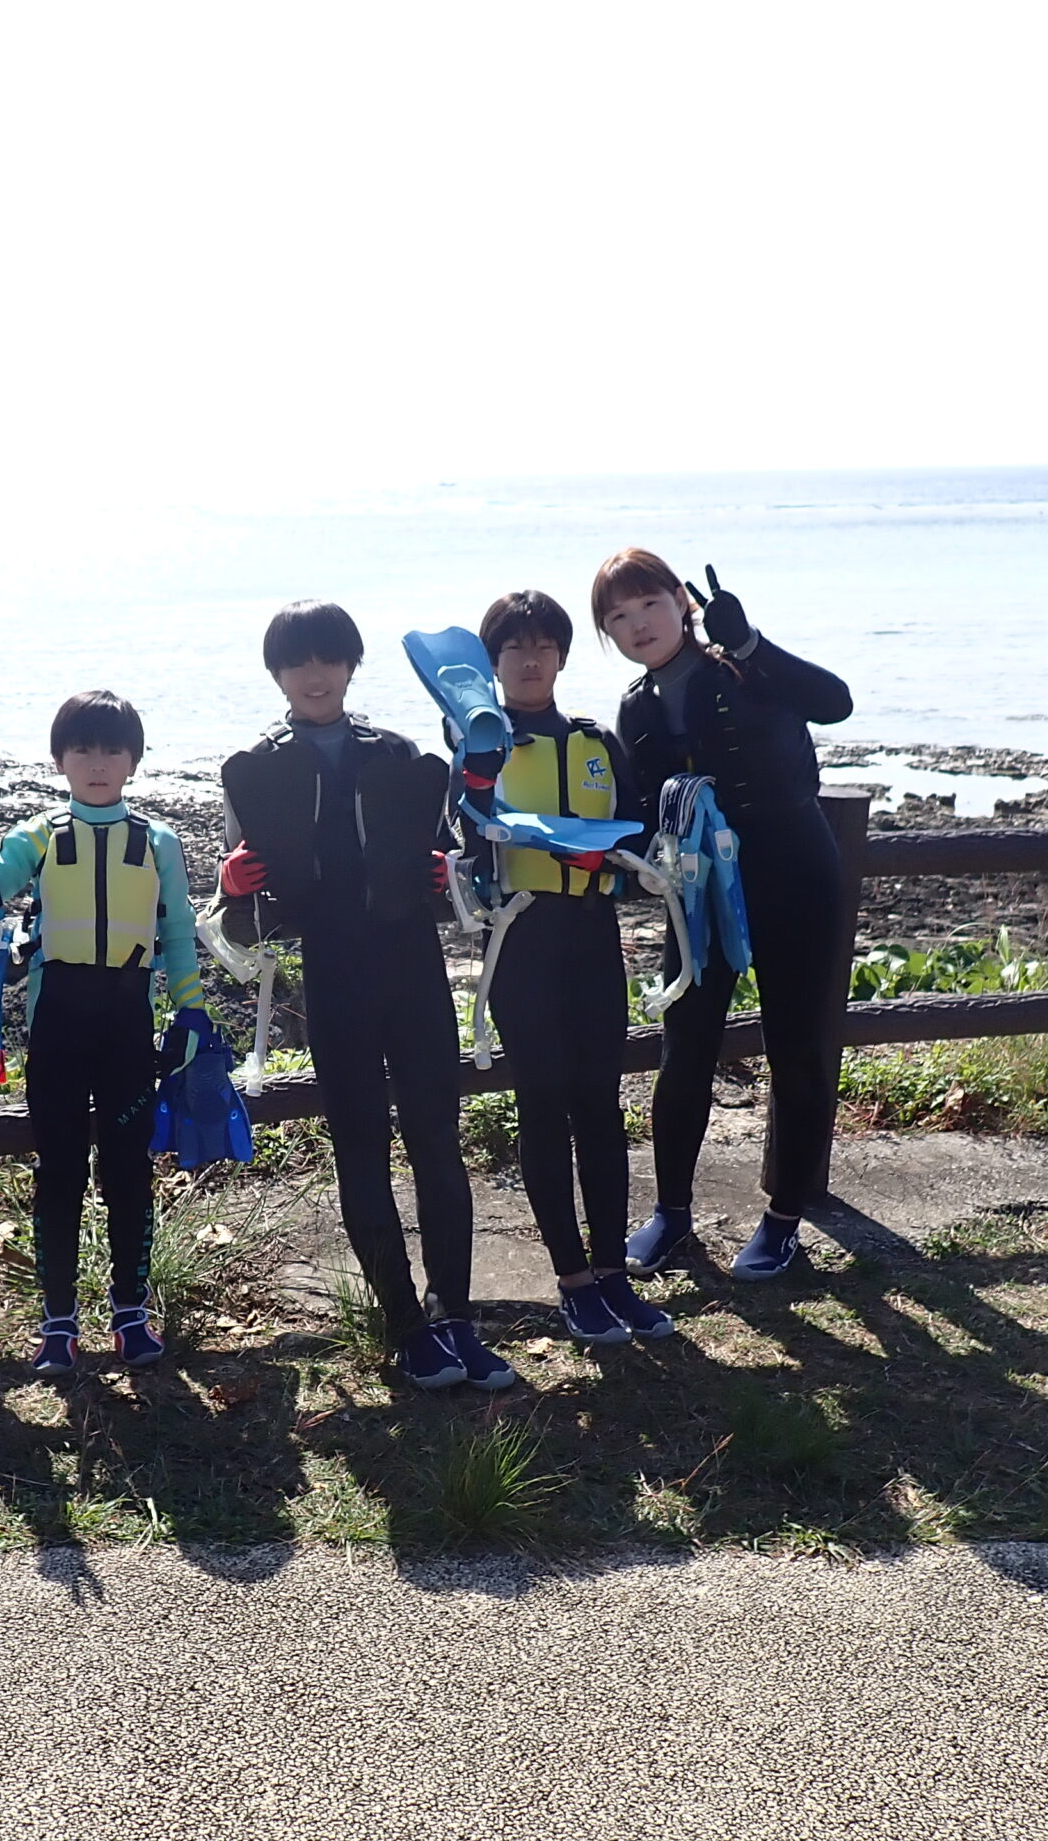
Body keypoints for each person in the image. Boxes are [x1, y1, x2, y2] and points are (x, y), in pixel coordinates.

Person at [218, 602, 514, 1392]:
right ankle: (405, 1326)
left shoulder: (404, 756)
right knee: (361, 1150)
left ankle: (455, 1315)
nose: (315, 675)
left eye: (329, 658)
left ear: (351, 665)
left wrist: (441, 872)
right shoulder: (255, 769)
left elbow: (455, 866)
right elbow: (244, 923)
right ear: (278, 674)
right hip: (333, 970)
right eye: (297, 662)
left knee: (438, 1145)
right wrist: (232, 887)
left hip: (411, 964)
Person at [595, 552, 854, 1282]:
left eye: (647, 603)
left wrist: (750, 643)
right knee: (685, 1050)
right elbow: (642, 808)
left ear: (683, 601)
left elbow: (835, 701)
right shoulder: (635, 706)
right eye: (616, 616)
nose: (635, 624)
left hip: (793, 874)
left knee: (796, 1050)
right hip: (697, 892)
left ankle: (783, 1220)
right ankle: (671, 1214)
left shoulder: (744, 667)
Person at [0, 691, 205, 1376]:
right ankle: (57, 1323)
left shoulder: (158, 841)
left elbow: (177, 934)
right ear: (60, 759)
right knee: (57, 1171)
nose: (97, 763)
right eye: (82, 749)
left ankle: (130, 1316)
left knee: (127, 1171)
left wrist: (191, 1011)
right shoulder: (37, 835)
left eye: (112, 749)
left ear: (134, 759)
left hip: (127, 1025)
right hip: (57, 1023)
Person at [457, 590, 675, 1345]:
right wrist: (476, 789)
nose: (529, 660)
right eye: (513, 649)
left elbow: (640, 838)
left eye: (544, 646)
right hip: (523, 943)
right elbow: (460, 841)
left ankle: (614, 1276)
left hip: (591, 938)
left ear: (561, 656)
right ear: (492, 662)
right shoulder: (478, 745)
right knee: (544, 1107)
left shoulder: (595, 742)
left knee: (599, 1107)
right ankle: (574, 1283)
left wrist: (621, 861)